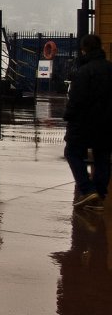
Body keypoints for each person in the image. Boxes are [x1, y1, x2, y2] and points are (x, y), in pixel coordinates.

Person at [63, 33, 112, 210]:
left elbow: (76, 99)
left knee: (72, 152)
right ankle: (99, 194)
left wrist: (68, 115)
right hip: (107, 122)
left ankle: (87, 189)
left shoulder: (84, 72)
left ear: (84, 50)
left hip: (83, 122)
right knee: (103, 156)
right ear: (101, 48)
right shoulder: (110, 69)